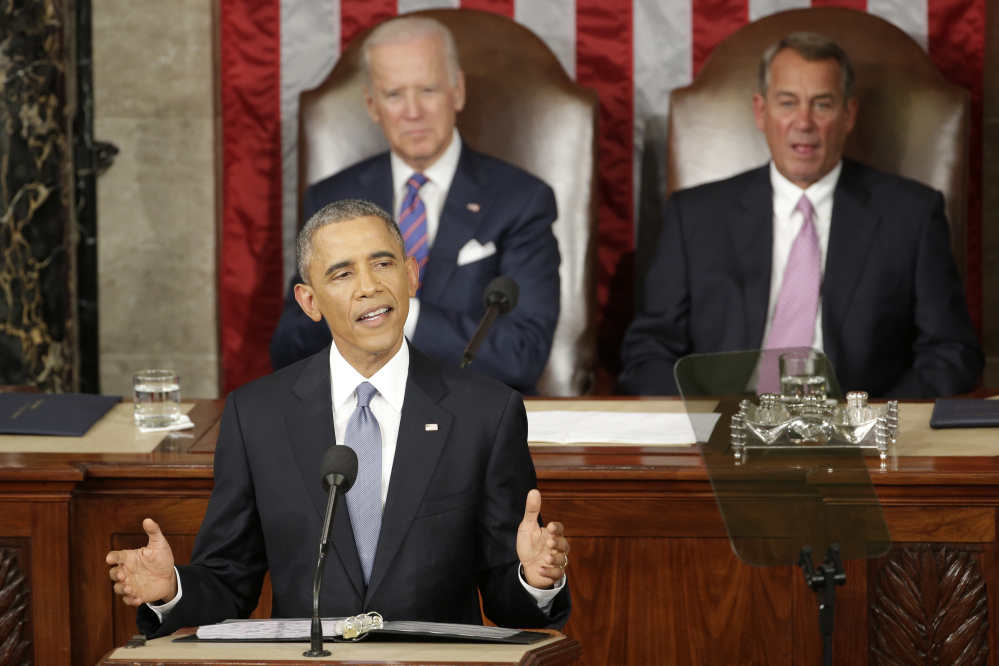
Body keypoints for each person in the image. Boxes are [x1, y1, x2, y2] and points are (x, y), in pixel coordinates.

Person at [107, 200, 571, 637]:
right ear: (309, 302)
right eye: (342, 273)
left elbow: (508, 600)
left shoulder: (484, 412)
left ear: (411, 275)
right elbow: (230, 582)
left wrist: (536, 578)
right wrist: (171, 590)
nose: (369, 286)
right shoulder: (258, 415)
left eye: (383, 263)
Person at [618, 32, 983, 398]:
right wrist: (704, 422)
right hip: (727, 433)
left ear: (848, 114)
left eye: (822, 105)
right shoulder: (695, 216)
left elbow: (951, 352)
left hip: (856, 436)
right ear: (761, 112)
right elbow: (649, 350)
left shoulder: (912, 215)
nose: (803, 122)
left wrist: (875, 423)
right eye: (788, 102)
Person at [270, 16, 561, 395]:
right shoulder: (330, 199)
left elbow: (523, 353)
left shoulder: (522, 200)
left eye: (427, 90)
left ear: (457, 91)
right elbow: (290, 344)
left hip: (473, 411)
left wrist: (392, 309)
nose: (412, 111)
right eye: (394, 95)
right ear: (372, 105)